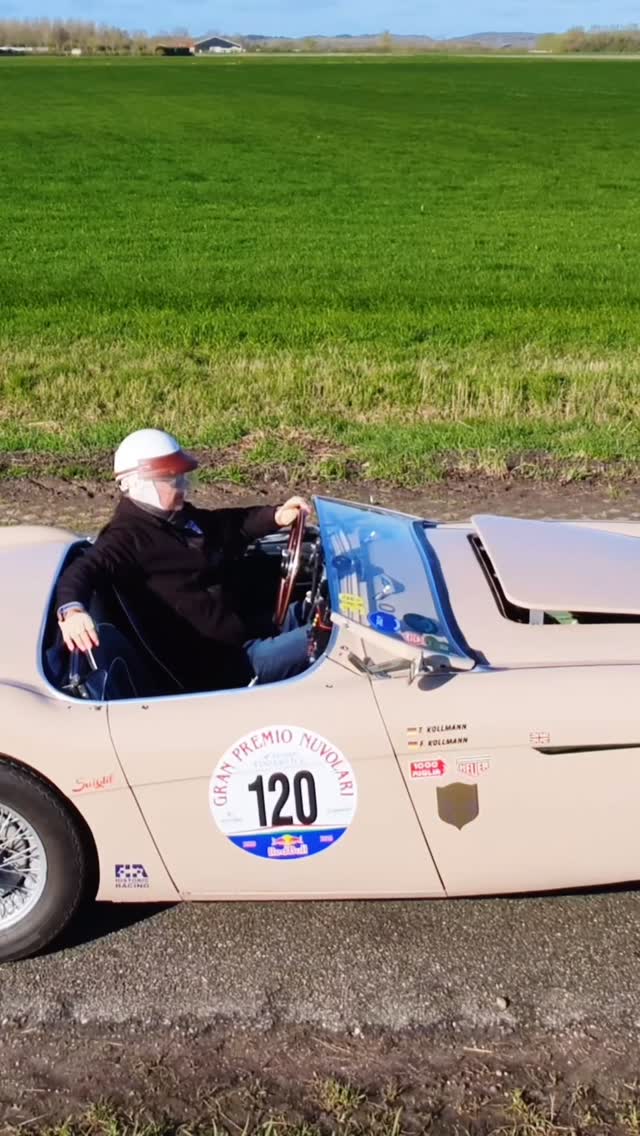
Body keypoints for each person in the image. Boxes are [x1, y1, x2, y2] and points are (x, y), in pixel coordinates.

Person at [56, 428, 313, 692]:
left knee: (315, 612)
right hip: (227, 666)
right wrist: (72, 610)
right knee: (326, 642)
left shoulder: (177, 519)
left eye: (181, 477)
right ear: (139, 483)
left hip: (239, 631)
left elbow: (228, 525)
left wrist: (276, 516)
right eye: (172, 479)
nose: (184, 486)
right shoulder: (125, 537)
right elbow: (83, 570)